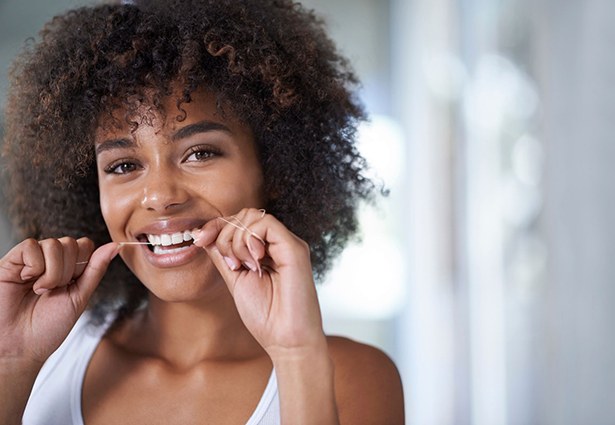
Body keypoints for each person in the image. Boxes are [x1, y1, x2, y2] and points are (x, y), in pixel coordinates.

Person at [0, 0, 404, 423]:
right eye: (123, 165)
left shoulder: (350, 376)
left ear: (276, 169)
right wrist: (11, 363)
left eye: (200, 153)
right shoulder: (43, 357)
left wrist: (296, 353)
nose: (159, 195)